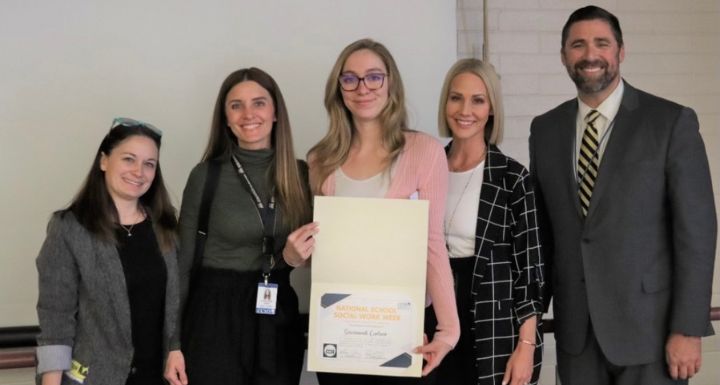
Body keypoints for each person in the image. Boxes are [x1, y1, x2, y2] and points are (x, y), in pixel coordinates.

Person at [529, 5, 717, 385]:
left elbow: (696, 231)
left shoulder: (670, 122)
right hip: (576, 335)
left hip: (651, 333)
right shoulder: (545, 130)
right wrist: (529, 321)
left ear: (620, 52)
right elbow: (543, 236)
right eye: (578, 45)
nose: (590, 54)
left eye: (602, 43)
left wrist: (689, 327)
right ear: (564, 55)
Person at [288, 38, 460, 385]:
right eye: (350, 79)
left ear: (390, 83)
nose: (362, 87)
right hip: (340, 330)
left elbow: (431, 243)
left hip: (402, 330)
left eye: (373, 77)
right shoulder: (321, 160)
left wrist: (448, 330)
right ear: (338, 89)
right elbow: (321, 253)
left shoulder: (424, 152)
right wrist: (294, 256)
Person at [170, 67, 312, 385]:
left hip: (276, 312)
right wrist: (173, 345)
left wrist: (288, 260)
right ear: (226, 117)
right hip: (215, 315)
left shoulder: (302, 175)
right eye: (236, 105)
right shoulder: (206, 175)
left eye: (259, 103)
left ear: (276, 112)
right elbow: (181, 268)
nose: (248, 114)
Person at [35, 118, 181, 385]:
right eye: (128, 159)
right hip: (93, 378)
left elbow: (173, 308)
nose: (139, 171)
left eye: (149, 164)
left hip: (155, 377)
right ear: (104, 161)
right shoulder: (69, 229)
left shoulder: (166, 226)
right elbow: (56, 318)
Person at [432, 58, 544, 385]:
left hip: (493, 323)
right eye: (456, 98)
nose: (465, 110)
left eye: (478, 100)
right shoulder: (427, 165)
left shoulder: (512, 178)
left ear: (491, 109)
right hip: (432, 317)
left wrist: (526, 347)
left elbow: (531, 272)